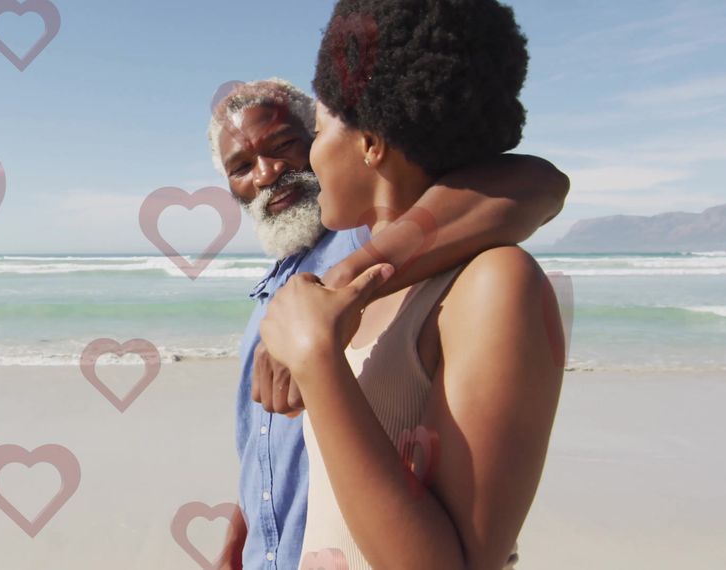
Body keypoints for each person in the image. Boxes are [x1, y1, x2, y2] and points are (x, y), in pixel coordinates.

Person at [208, 77, 568, 567]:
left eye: (284, 145)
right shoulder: (274, 280)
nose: (267, 174)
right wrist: (243, 529)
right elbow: (270, 432)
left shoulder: (368, 229)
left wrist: (338, 285)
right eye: (241, 167)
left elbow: (535, 184)